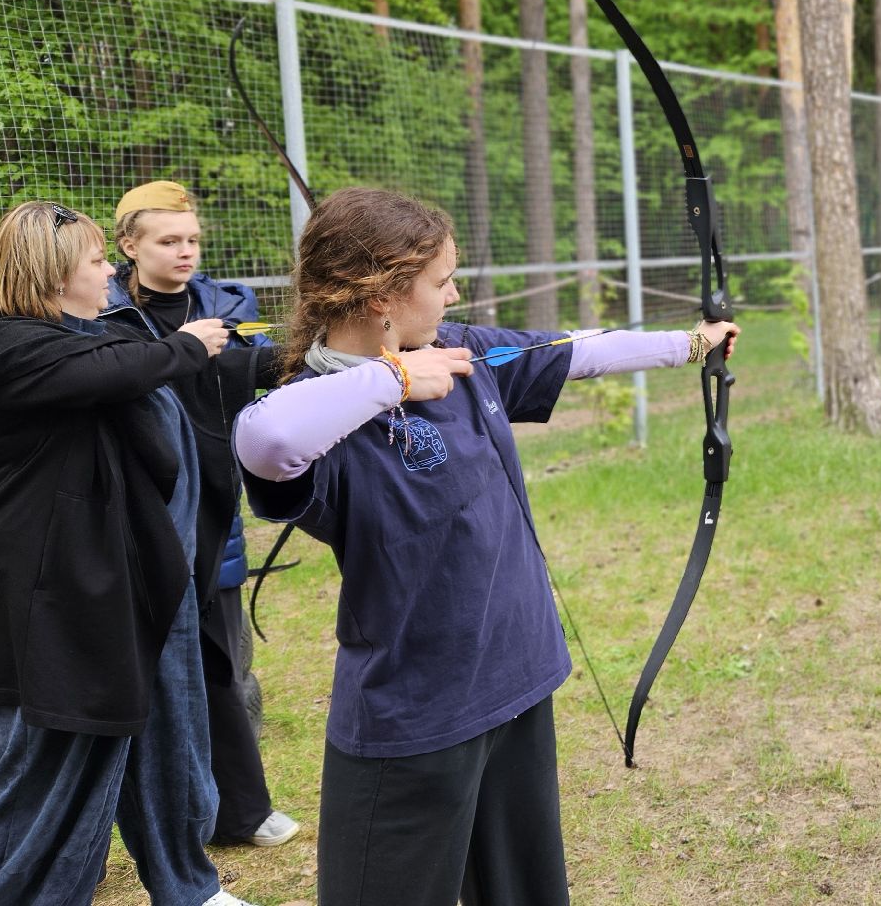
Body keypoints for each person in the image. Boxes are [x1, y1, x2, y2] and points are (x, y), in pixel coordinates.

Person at [232, 187, 738, 906]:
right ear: (382, 296)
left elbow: (574, 350)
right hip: (416, 715)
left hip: (516, 672)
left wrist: (692, 343)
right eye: (441, 281)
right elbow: (266, 440)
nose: (455, 293)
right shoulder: (321, 410)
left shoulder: (460, 351)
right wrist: (395, 379)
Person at [0, 200, 257, 906]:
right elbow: (108, 372)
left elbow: (112, 364)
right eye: (93, 261)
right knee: (44, 764)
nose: (108, 269)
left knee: (131, 742)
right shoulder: (6, 349)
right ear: (53, 276)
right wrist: (189, 345)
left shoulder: (54, 340)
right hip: (46, 592)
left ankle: (184, 884)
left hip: (106, 586)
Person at [109, 180, 299, 848]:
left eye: (192, 239)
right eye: (168, 241)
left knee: (219, 658)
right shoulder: (101, 311)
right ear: (130, 245)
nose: (185, 251)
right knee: (125, 668)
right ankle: (100, 828)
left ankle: (238, 811)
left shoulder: (229, 302)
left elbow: (270, 365)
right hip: (131, 507)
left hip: (214, 504)